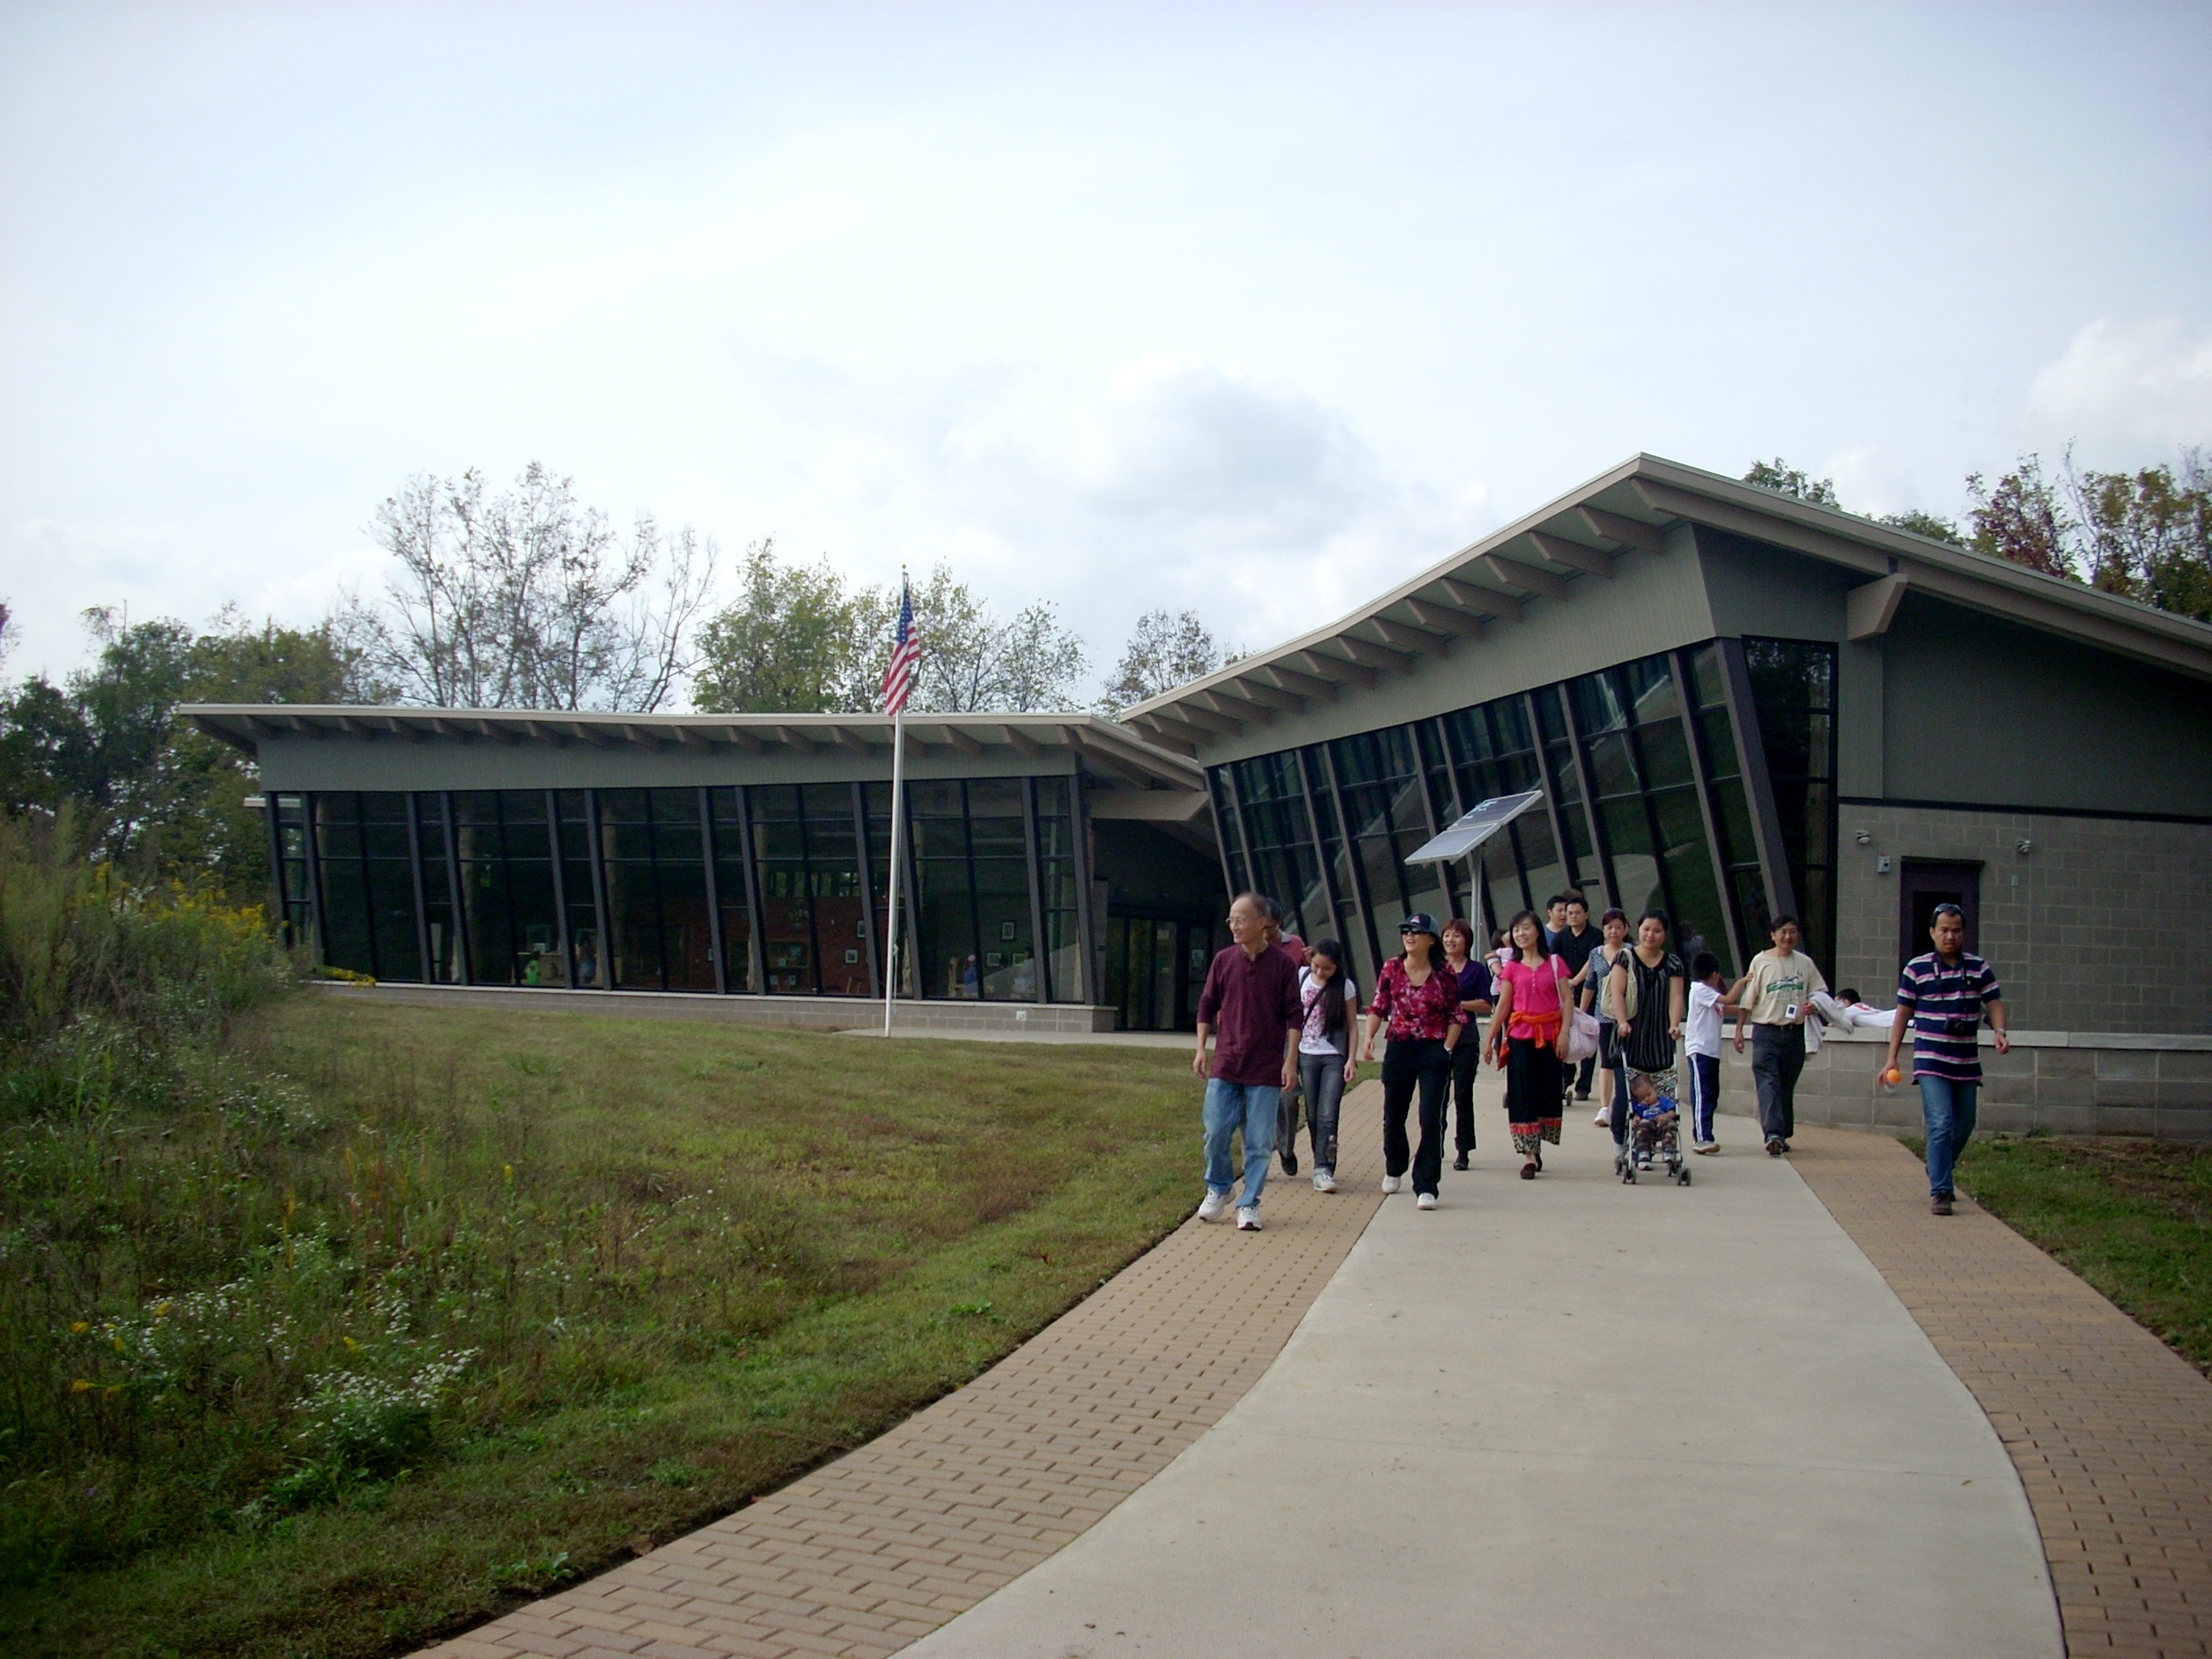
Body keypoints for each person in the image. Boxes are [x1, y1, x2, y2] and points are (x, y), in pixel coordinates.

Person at [1884, 904, 2011, 1217]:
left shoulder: (1979, 968)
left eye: (1956, 930)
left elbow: (1994, 1003)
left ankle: (1938, 1166)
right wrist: (1892, 1059)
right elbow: (1902, 1015)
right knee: (1941, 1123)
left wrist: (2000, 1031)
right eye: (1944, 930)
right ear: (1932, 932)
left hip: (1966, 1061)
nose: (1950, 936)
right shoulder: (1917, 968)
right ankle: (1941, 1190)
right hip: (1931, 1060)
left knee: (1964, 1123)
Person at [1192, 892, 1302, 1232]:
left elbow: (1295, 1015)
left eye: (1240, 920)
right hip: (1227, 1062)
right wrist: (1200, 1048)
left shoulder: (1283, 965)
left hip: (1266, 1067)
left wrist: (1290, 1060)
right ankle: (1220, 1187)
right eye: (1231, 920)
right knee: (1216, 1132)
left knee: (1258, 1142)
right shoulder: (1224, 961)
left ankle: (1249, 1203)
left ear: (1262, 923)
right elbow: (1207, 1004)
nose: (1234, 926)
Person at [1359, 913, 1463, 1210]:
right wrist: (1370, 1038)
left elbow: (1457, 1016)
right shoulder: (1392, 968)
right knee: (1394, 1114)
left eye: (1417, 932)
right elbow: (1379, 1005)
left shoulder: (1444, 973)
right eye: (1406, 931)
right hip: (1399, 1047)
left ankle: (1427, 1184)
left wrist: (1446, 1048)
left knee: (1431, 1118)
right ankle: (1395, 1166)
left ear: (1431, 939)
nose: (1410, 936)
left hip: (1433, 1049)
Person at [1730, 917, 1827, 1157]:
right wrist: (1740, 1030)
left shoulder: (1805, 963)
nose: (1787, 937)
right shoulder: (1761, 962)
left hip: (1794, 1033)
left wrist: (1813, 1006)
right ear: (1773, 935)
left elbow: (1819, 993)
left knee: (1785, 1085)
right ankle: (1772, 1133)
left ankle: (1782, 1133)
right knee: (1768, 1082)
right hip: (1766, 1032)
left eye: (1792, 932)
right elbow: (1747, 1000)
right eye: (1783, 932)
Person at [1486, 909, 1571, 1179]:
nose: (1520, 934)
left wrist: (1565, 1033)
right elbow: (1503, 1006)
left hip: (1550, 1036)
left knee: (1545, 1091)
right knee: (1521, 1093)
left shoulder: (1555, 963)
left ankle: (1538, 1142)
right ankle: (1529, 1155)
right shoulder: (1511, 968)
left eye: (1525, 928)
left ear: (1537, 931)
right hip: (1521, 1037)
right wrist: (1489, 1039)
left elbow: (1567, 1001)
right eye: (1516, 929)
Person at [1608, 910, 1686, 1157]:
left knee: (1660, 1097)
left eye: (1657, 930)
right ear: (1638, 930)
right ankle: (1621, 1140)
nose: (1650, 935)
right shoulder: (1625, 958)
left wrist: (1675, 1023)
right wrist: (1622, 1022)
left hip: (1659, 1041)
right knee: (1625, 1096)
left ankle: (1654, 1139)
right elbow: (1617, 993)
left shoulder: (1673, 963)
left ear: (1664, 934)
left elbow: (1676, 997)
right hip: (1629, 1038)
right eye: (1646, 929)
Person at [1297, 939, 1359, 1193]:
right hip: (1305, 1055)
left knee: (1327, 1113)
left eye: (1327, 969)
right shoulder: (1301, 977)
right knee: (1312, 1115)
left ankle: (1324, 1168)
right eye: (1316, 967)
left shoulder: (1344, 987)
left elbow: (1353, 1026)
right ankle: (1319, 1160)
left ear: (1337, 968)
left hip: (1333, 1055)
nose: (1320, 973)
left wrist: (1351, 1059)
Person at [1441, 917, 1495, 1170]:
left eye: (1457, 936)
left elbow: (1486, 1004)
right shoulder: (1435, 967)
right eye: (1447, 935)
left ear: (1467, 941)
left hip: (1466, 1039)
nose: (1451, 940)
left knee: (1463, 1094)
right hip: (1436, 1039)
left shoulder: (1476, 970)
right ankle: (1434, 1141)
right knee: (1436, 1094)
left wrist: (1459, 1005)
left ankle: (1463, 1149)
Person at [1584, 908, 1632, 1130]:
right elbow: (1590, 982)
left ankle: (1630, 1102)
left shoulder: (1633, 952)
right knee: (1607, 1061)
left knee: (1630, 1060)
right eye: (1609, 927)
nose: (1613, 931)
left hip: (1630, 1014)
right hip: (1604, 1014)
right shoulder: (1596, 953)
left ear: (1626, 929)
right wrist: (1581, 1014)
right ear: (1603, 929)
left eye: (1618, 927)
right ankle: (1605, 1107)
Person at [1551, 894, 1602, 1100]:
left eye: (1576, 913)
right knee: (1566, 1035)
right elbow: (1553, 961)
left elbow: (1592, 962)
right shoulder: (1561, 936)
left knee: (1588, 1035)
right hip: (1565, 993)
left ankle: (1584, 1086)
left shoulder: (1595, 936)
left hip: (1589, 990)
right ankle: (1565, 1080)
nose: (1572, 916)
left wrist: (1575, 981)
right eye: (1569, 913)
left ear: (1586, 915)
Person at [1683, 951, 1729, 1154]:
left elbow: (1728, 1007)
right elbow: (1730, 999)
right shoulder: (1701, 989)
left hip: (1711, 1051)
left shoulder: (1709, 994)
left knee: (1711, 1093)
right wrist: (1745, 981)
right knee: (1703, 1093)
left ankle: (1705, 1133)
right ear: (1715, 974)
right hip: (1699, 1049)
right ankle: (1703, 1136)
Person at [1624, 1071, 1680, 1170]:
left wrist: (1666, 1116)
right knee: (1642, 1127)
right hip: (1647, 1128)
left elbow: (1673, 1112)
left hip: (1663, 1125)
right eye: (1642, 1098)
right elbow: (1636, 1115)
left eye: (1649, 1094)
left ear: (1655, 1089)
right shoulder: (1640, 1106)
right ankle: (1643, 1153)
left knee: (1671, 1125)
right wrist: (1636, 1119)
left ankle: (1669, 1150)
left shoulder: (1664, 1101)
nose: (1646, 1099)